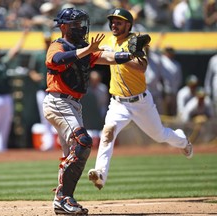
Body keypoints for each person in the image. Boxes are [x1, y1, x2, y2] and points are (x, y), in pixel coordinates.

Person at [43, 7, 143, 215]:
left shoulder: (84, 48)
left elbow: (110, 57)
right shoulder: (58, 45)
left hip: (73, 105)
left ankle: (62, 200)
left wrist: (131, 53)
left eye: (81, 23)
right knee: (83, 142)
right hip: (58, 103)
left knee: (72, 154)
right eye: (75, 24)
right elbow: (57, 61)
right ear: (63, 27)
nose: (80, 28)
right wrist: (88, 50)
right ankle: (63, 198)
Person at [87, 8, 193, 191]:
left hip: (141, 102)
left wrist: (121, 57)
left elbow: (141, 66)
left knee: (159, 135)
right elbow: (102, 58)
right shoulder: (111, 41)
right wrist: (95, 54)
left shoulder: (135, 42)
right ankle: (101, 174)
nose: (114, 24)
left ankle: (183, 141)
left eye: (119, 22)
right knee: (107, 133)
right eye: (112, 21)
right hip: (118, 103)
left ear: (128, 25)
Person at [28, 32, 55, 151]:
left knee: (57, 116)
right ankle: (48, 142)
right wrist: (35, 76)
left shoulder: (55, 53)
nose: (47, 42)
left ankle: (57, 141)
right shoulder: (39, 55)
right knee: (44, 117)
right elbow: (31, 70)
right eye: (46, 40)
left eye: (49, 40)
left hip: (54, 90)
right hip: (42, 89)